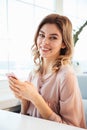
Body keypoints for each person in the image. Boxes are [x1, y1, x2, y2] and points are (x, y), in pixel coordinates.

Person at [8, 13, 86, 128]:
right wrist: (24, 100)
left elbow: (71, 127)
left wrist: (36, 98)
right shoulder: (33, 73)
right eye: (42, 35)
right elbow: (27, 119)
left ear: (64, 43)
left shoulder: (66, 75)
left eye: (53, 37)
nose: (45, 42)